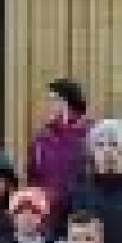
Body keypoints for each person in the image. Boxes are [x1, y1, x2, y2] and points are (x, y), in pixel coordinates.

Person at [27, 78, 92, 225]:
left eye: (54, 100)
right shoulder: (42, 138)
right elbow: (33, 177)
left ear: (69, 102)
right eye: (48, 100)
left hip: (81, 213)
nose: (48, 105)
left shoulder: (89, 134)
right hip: (48, 214)